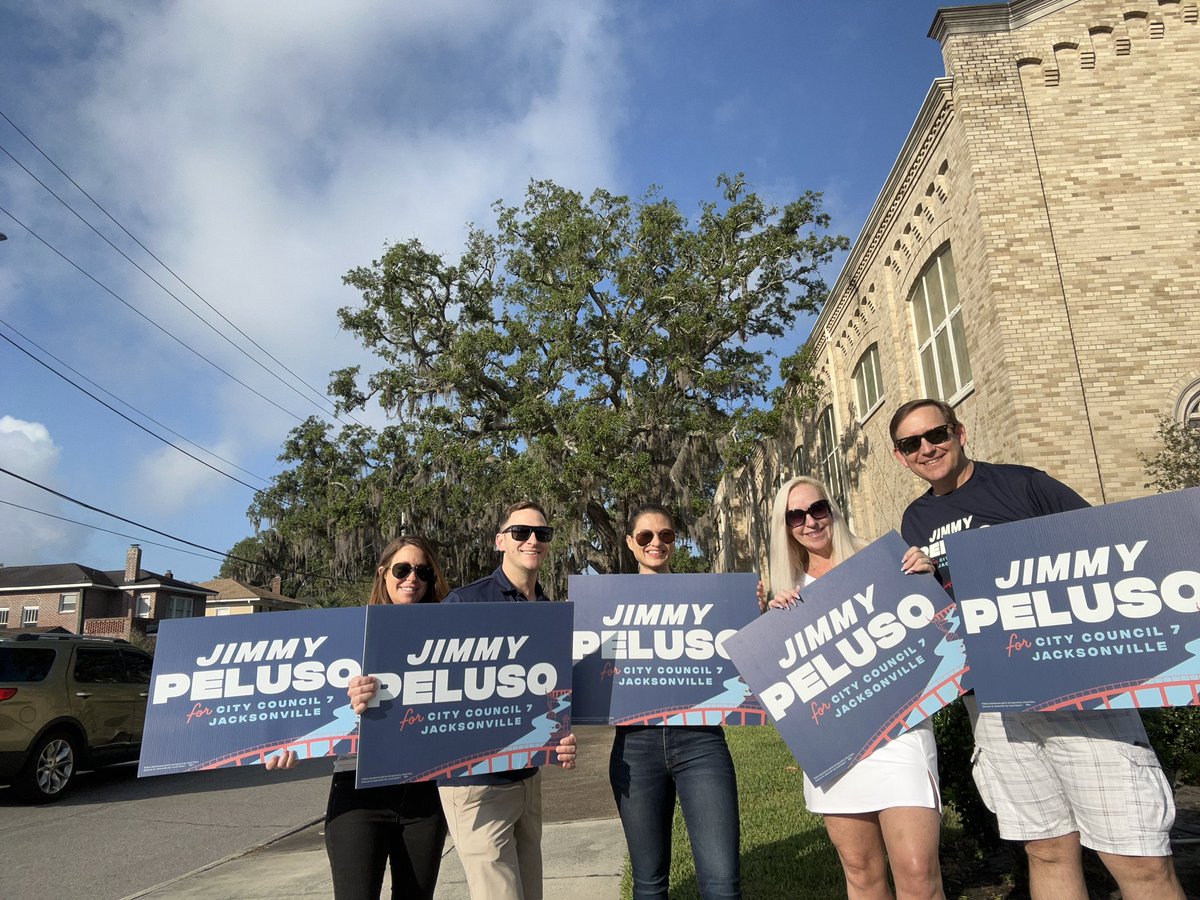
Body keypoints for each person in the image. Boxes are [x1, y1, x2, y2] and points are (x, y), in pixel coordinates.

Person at [890, 397, 1184, 900]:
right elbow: (937, 616)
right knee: (1045, 848)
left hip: (1074, 690)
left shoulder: (1024, 484)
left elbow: (1107, 549)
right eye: (910, 443)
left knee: (1136, 855)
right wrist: (922, 583)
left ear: (960, 432)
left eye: (935, 434)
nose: (926, 448)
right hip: (992, 702)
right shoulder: (915, 520)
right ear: (901, 457)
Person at [362, 501, 576, 900]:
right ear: (500, 541)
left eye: (541, 534)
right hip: (476, 784)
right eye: (520, 532)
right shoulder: (465, 603)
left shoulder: (548, 611)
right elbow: (419, 682)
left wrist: (562, 736)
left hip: (528, 779)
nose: (532, 540)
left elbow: (552, 696)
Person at [766, 476, 945, 900]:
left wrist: (926, 575)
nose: (810, 522)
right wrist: (773, 619)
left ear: (832, 509)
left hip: (900, 734)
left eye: (817, 509)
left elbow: (936, 631)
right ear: (784, 526)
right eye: (796, 516)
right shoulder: (787, 591)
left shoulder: (883, 558)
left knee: (918, 872)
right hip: (837, 746)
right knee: (861, 873)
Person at [267, 535, 450, 900]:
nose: (411, 578)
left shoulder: (449, 637)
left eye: (422, 571)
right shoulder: (347, 634)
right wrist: (290, 745)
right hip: (357, 792)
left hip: (425, 794)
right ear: (383, 574)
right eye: (402, 569)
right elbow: (307, 701)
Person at [608, 503, 742, 900]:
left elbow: (740, 655)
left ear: (675, 541)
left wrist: (749, 609)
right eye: (646, 536)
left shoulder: (708, 595)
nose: (656, 543)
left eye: (665, 535)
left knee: (722, 882)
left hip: (701, 741)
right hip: (635, 746)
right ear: (631, 544)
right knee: (648, 883)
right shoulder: (606, 604)